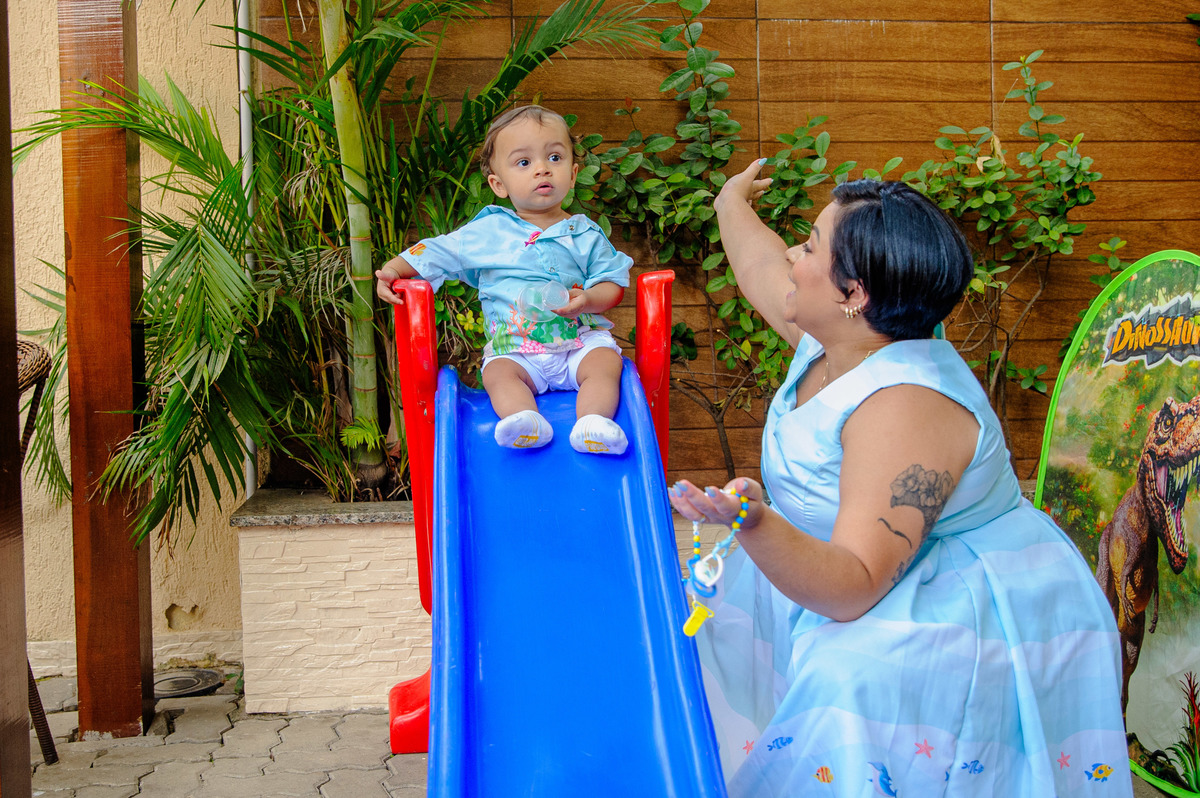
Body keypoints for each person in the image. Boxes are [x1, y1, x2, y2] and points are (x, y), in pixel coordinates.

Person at [668, 163, 1132, 796]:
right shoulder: (845, 334)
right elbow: (762, 269)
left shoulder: (906, 406)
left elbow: (855, 585)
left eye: (808, 246)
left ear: (853, 293)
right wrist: (728, 202)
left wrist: (754, 521)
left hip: (955, 599)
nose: (792, 258)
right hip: (849, 560)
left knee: (843, 686)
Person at [375, 105, 631, 454]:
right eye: (524, 163)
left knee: (606, 363)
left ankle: (592, 423)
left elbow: (611, 284)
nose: (542, 168)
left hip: (577, 344)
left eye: (554, 157)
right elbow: (437, 251)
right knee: (497, 374)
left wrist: (588, 299)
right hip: (516, 351)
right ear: (498, 184)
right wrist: (392, 269)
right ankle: (524, 420)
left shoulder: (584, 233)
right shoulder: (489, 231)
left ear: (572, 175)